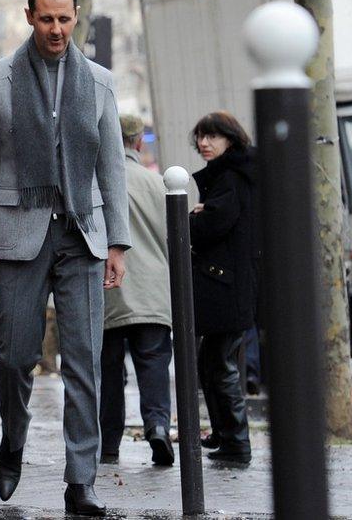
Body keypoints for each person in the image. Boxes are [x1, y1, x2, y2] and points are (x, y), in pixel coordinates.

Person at [0, 0, 130, 515]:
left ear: (76, 16)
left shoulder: (99, 81)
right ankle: (13, 438)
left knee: (85, 360)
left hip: (82, 233)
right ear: (29, 16)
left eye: (65, 19)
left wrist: (118, 243)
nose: (57, 29)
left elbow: (112, 167)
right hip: (18, 233)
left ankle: (82, 480)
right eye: (47, 19)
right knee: (15, 359)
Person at [99, 114, 174, 467]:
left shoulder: (98, 183)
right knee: (154, 363)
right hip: (153, 291)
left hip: (108, 290)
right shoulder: (159, 183)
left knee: (110, 371)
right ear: (139, 143)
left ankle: (109, 444)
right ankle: (158, 426)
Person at [189, 111, 258, 464]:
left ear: (230, 139)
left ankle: (236, 442)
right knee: (212, 363)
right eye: (201, 136)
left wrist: (193, 218)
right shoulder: (232, 175)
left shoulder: (230, 176)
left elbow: (212, 225)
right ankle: (224, 435)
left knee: (221, 365)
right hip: (226, 283)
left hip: (226, 285)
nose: (204, 143)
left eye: (212, 136)